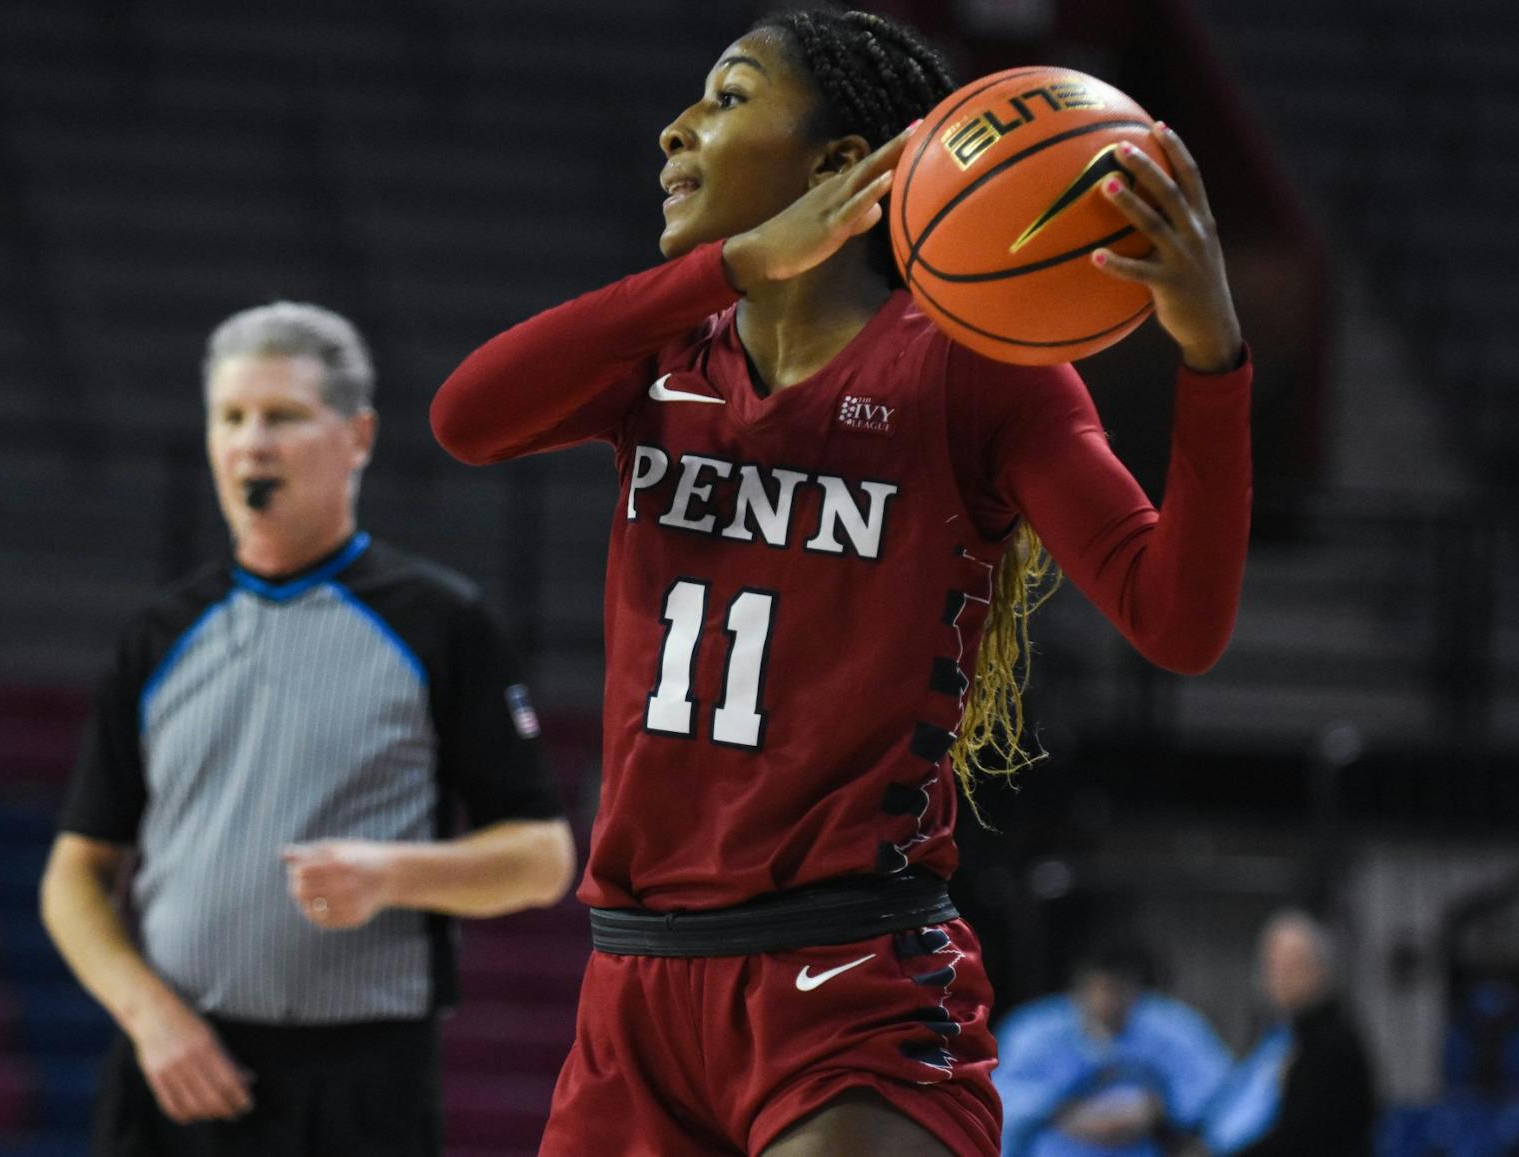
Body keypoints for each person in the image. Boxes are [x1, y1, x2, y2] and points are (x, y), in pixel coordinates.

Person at [431, 8, 1250, 1154]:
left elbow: (1176, 621)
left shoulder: (977, 371)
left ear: (835, 165)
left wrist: (1211, 359)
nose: (675, 129)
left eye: (726, 98)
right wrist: (724, 268)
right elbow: (464, 417)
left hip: (846, 977)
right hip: (633, 986)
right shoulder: (661, 351)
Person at [39, 302, 576, 1157]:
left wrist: (391, 874)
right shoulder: (158, 634)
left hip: (361, 1083)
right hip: (174, 1068)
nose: (252, 444)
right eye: (231, 417)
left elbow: (542, 857)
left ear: (358, 436)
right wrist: (150, 1014)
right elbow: (75, 873)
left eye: (283, 416)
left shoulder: (442, 623)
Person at [993, 939, 1233, 1157]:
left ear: (1137, 988)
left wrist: (1157, 1108)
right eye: (1100, 987)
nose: (1108, 1001)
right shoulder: (1034, 1029)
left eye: (1120, 989)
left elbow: (1218, 1092)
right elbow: (1001, 1097)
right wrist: (1063, 1111)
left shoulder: (1171, 1027)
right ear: (1080, 986)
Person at [1198, 910, 1376, 1156]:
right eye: (1272, 966)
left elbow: (1304, 1134)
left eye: (1292, 966)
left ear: (1319, 970)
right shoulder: (1280, 1037)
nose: (1278, 978)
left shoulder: (1332, 1043)